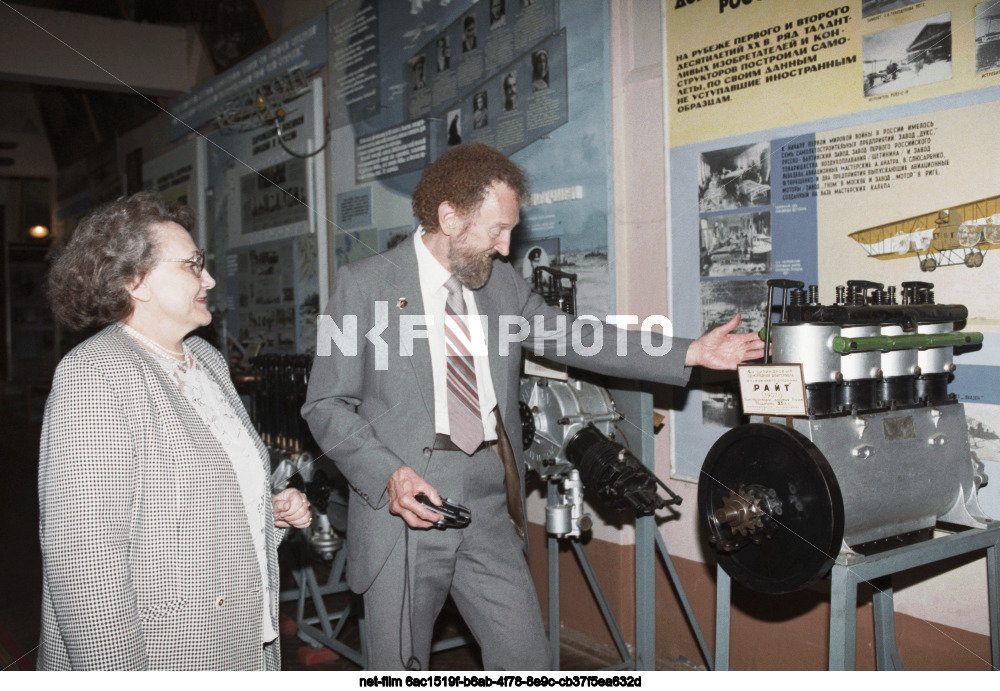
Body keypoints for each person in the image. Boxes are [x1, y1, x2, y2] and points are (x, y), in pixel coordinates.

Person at [302, 143, 765, 670]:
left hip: (488, 501)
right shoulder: (365, 286)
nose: (504, 250)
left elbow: (578, 337)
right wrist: (390, 474)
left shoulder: (500, 287)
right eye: (495, 231)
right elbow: (326, 405)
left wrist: (690, 352)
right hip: (407, 506)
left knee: (527, 661)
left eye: (511, 233)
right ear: (448, 216)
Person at [38, 192, 312, 670]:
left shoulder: (206, 360)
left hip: (239, 636)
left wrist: (268, 515)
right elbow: (85, 561)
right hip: (167, 652)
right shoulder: (95, 375)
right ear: (134, 281)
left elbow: (182, 512)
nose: (207, 278)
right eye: (191, 266)